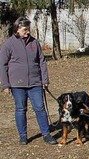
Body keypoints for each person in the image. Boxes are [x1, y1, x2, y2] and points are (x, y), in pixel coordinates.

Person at [0, 17, 57, 145]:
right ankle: (23, 136)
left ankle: (46, 134)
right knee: (21, 109)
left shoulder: (34, 42)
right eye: (25, 29)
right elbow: (2, 65)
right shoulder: (8, 44)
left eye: (28, 29)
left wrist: (44, 79)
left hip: (35, 82)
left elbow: (41, 61)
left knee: (40, 108)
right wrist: (5, 84)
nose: (27, 32)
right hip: (17, 84)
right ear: (17, 29)